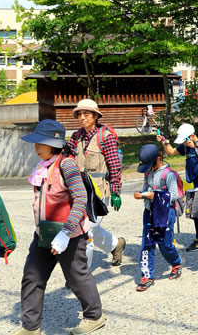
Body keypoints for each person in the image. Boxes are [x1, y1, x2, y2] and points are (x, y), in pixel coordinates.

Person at [12, 120, 105, 335]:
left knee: (76, 277)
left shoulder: (66, 164)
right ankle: (30, 327)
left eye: (39, 144)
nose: (35, 148)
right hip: (44, 235)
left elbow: (80, 199)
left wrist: (65, 233)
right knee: (32, 277)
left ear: (52, 144)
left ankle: (95, 316)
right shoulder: (43, 166)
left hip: (68, 235)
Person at [66, 99, 126, 268]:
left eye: (86, 114)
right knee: (89, 227)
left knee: (85, 230)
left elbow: (115, 166)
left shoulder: (105, 137)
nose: (82, 117)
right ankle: (115, 245)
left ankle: (81, 274)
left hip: (100, 192)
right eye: (79, 114)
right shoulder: (76, 136)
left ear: (95, 116)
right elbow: (67, 157)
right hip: (79, 190)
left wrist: (116, 192)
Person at [133, 144, 183, 291]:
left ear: (159, 158)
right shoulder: (147, 173)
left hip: (165, 213)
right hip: (149, 212)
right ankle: (147, 276)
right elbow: (145, 189)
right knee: (147, 244)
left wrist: (156, 196)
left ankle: (176, 262)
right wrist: (141, 194)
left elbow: (174, 195)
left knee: (165, 244)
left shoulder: (169, 174)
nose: (147, 169)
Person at [158, 124, 198, 252]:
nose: (183, 142)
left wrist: (196, 146)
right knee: (192, 213)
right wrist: (164, 141)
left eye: (185, 139)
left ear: (192, 136)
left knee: (196, 213)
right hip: (192, 184)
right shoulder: (185, 146)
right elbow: (171, 151)